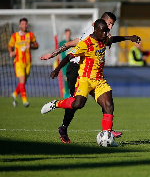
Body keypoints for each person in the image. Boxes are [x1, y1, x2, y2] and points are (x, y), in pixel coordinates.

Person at [40, 12, 141, 143]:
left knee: (108, 104)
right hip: (77, 71)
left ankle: (107, 133)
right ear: (99, 24)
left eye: (111, 25)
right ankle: (61, 119)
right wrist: (55, 64)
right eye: (109, 24)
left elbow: (111, 39)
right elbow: (70, 47)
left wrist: (129, 38)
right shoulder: (88, 39)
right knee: (76, 103)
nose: (109, 29)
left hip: (97, 77)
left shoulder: (103, 35)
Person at [8, 18, 39, 107]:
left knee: (23, 82)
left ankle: (14, 94)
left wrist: (32, 45)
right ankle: (25, 101)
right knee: (22, 80)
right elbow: (10, 45)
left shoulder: (31, 35)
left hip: (28, 62)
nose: (24, 26)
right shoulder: (14, 36)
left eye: (26, 24)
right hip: (18, 62)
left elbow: (36, 45)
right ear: (19, 25)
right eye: (23, 24)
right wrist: (11, 52)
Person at [59, 28, 72, 98]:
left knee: (72, 78)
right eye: (67, 33)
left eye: (69, 33)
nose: (68, 35)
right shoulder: (62, 43)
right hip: (65, 63)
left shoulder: (73, 42)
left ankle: (70, 93)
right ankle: (66, 94)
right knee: (66, 78)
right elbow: (58, 53)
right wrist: (56, 61)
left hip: (72, 63)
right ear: (65, 34)